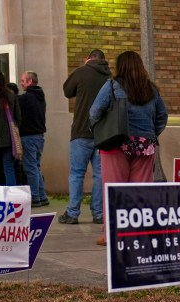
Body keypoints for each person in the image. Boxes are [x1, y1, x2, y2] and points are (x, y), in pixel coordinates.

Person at [90, 50, 168, 246]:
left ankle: (112, 235)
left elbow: (94, 112)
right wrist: (150, 135)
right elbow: (162, 117)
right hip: (144, 145)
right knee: (140, 191)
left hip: (116, 143)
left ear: (120, 66)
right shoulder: (151, 89)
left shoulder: (112, 85)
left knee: (114, 190)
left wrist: (100, 131)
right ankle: (138, 233)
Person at [61, 49, 112, 225]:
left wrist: (82, 69)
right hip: (103, 135)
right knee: (100, 175)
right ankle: (98, 213)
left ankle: (73, 213)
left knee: (76, 174)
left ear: (88, 59)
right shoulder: (110, 77)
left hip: (81, 132)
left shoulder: (82, 72)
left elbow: (67, 91)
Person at [18, 70, 49, 207]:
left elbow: (15, 106)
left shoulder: (26, 98)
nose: (21, 83)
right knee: (36, 167)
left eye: (23, 81)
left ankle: (35, 198)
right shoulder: (40, 97)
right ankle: (42, 196)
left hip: (29, 137)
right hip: (39, 136)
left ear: (30, 81)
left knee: (30, 168)